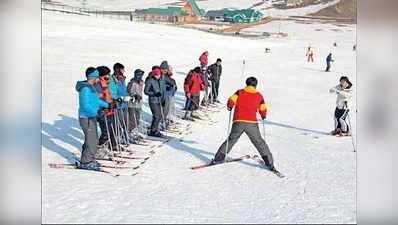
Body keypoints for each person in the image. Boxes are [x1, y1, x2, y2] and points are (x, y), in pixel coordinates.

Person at [211, 77, 275, 171]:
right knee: (259, 142)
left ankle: (218, 158)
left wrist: (230, 106)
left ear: (246, 83)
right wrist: (263, 115)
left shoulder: (239, 92)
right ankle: (269, 162)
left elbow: (231, 100)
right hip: (251, 123)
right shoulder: (259, 95)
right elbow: (263, 108)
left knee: (231, 140)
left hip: (238, 121)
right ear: (255, 85)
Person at [75, 67, 111, 171]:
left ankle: (88, 158)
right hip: (86, 118)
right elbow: (85, 106)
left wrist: (107, 105)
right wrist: (96, 112)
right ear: (93, 77)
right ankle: (86, 162)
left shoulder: (91, 87)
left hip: (91, 117)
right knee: (92, 141)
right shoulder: (85, 89)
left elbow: (96, 101)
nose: (98, 79)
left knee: (92, 139)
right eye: (97, 77)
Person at [95, 66, 117, 151]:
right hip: (102, 111)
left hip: (109, 110)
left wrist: (112, 101)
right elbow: (97, 98)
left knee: (110, 130)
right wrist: (105, 105)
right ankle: (97, 149)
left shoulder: (105, 82)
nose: (109, 75)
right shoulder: (97, 84)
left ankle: (108, 147)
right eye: (107, 74)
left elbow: (108, 95)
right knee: (105, 133)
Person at [144, 66, 166, 137]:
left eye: (159, 74)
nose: (158, 76)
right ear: (154, 74)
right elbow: (146, 91)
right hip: (153, 101)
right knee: (157, 116)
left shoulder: (161, 79)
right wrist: (154, 93)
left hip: (159, 100)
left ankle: (154, 129)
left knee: (158, 116)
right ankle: (153, 131)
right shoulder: (150, 80)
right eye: (156, 75)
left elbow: (163, 90)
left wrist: (163, 100)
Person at [110, 63, 129, 144]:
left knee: (125, 122)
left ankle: (123, 138)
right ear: (117, 70)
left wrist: (128, 96)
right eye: (122, 70)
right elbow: (112, 92)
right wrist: (119, 98)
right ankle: (115, 141)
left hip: (124, 104)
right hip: (117, 105)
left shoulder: (122, 79)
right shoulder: (112, 80)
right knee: (117, 124)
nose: (123, 71)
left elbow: (124, 90)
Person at [127, 69, 145, 135]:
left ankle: (132, 132)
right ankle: (128, 132)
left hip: (138, 104)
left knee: (137, 120)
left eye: (141, 75)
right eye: (139, 75)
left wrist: (139, 97)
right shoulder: (132, 83)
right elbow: (128, 92)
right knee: (132, 120)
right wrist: (135, 95)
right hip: (132, 104)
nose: (140, 76)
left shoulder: (141, 82)